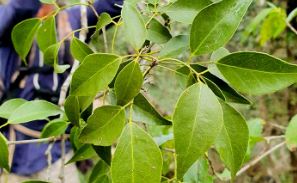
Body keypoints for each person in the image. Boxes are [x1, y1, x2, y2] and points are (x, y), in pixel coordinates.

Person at [0, 0, 122, 182]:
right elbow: (21, 6)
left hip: (58, 150)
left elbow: (113, 6)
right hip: (15, 147)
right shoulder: (15, 22)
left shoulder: (73, 20)